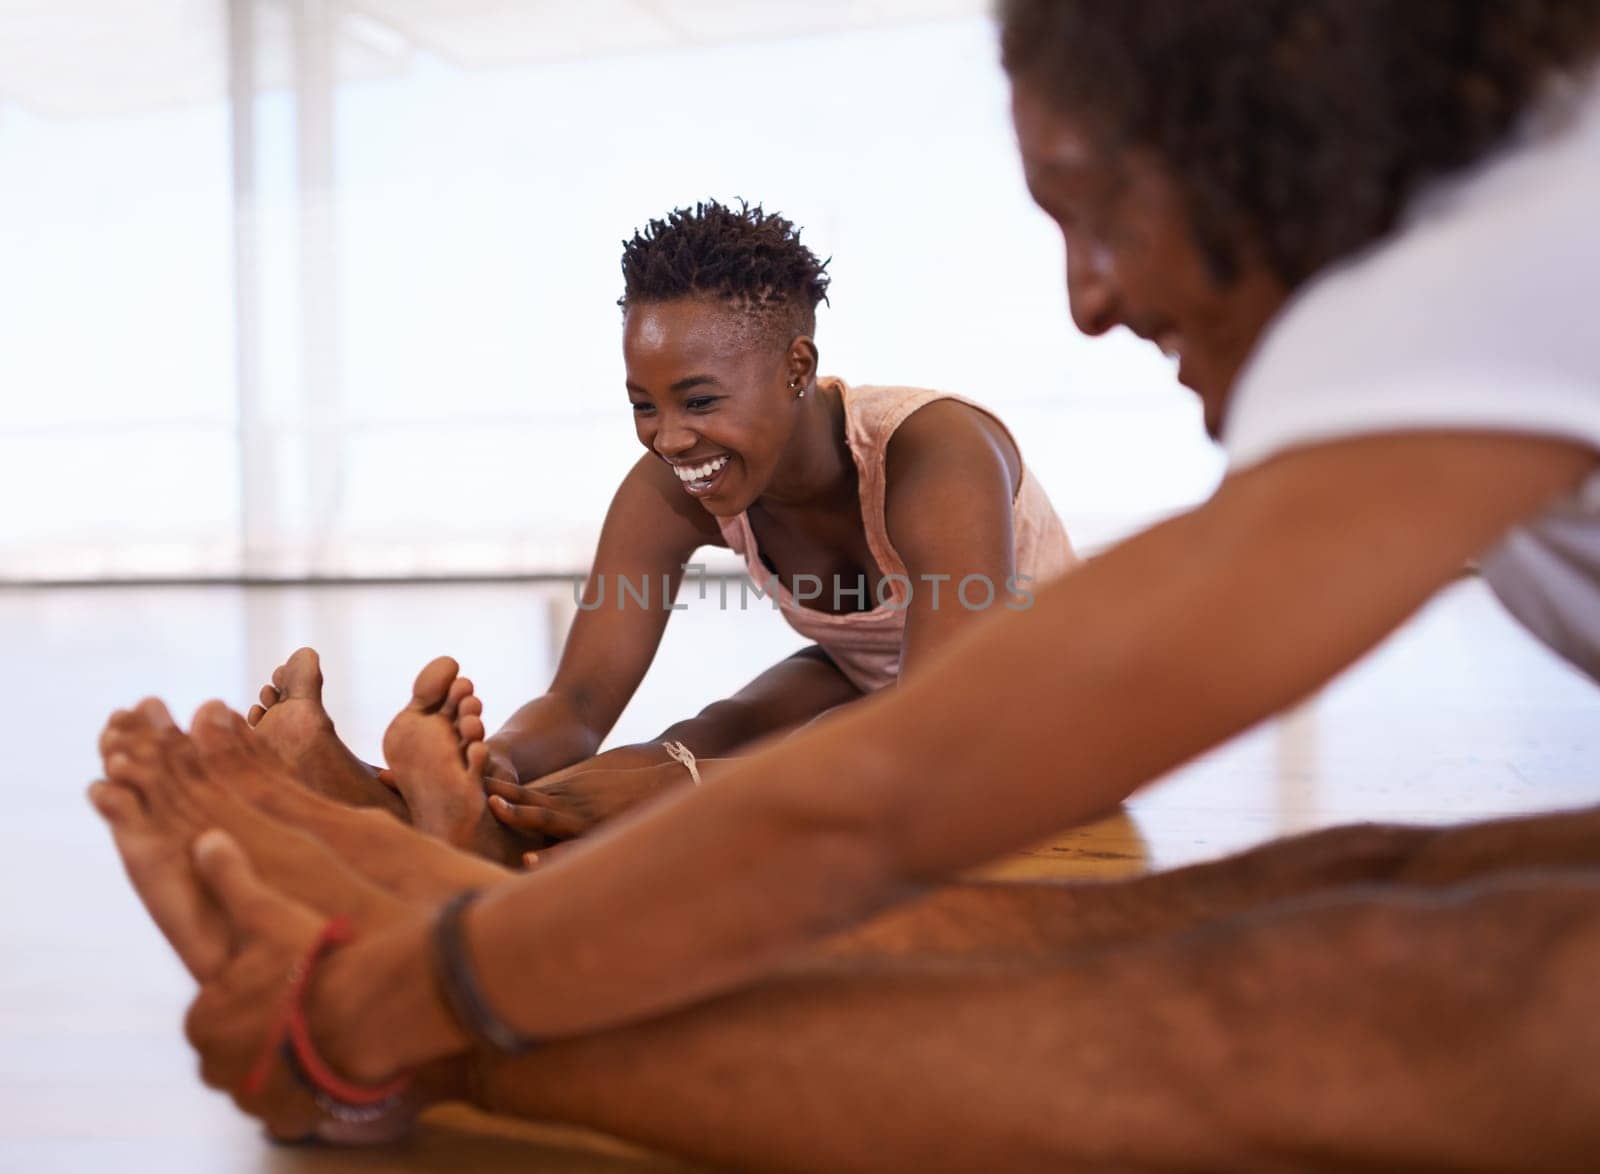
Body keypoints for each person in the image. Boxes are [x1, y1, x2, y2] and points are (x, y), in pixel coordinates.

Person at [96, 1, 1600, 1168]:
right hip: (868, 691)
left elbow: (902, 784)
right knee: (1355, 884)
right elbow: (613, 700)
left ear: (1285, 134)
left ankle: (427, 1003)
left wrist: (395, 994)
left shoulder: (1483, 271)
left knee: (1375, 984)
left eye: (1101, 204)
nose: (1088, 298)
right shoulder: (1515, 218)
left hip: (944, 687)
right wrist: (543, 812)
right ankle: (432, 881)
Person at [245, 199, 1075, 857]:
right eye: (644, 404)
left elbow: (934, 719)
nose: (670, 437)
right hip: (877, 687)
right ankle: (417, 801)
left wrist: (682, 787)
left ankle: (482, 838)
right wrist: (491, 761)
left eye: (701, 400)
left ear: (797, 367)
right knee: (703, 735)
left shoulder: (936, 452)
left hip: (1019, 717)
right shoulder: (670, 486)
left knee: (705, 769)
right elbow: (577, 702)